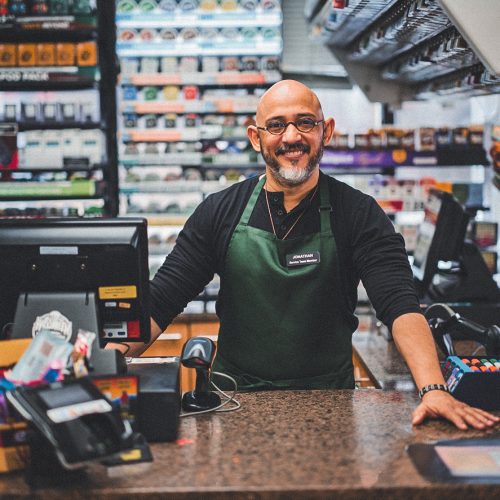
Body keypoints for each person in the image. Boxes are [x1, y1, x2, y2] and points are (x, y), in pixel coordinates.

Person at [118, 80, 498, 430]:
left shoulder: (359, 213)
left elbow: (400, 306)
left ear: (325, 131)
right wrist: (105, 360)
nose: (291, 137)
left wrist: (433, 388)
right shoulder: (219, 212)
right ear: (256, 137)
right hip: (234, 403)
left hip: (330, 406)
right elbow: (161, 301)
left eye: (305, 123)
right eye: (277, 125)